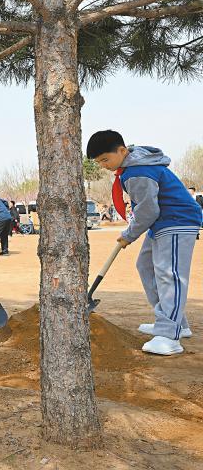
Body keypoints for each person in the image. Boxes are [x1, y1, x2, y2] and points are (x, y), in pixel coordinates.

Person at [87, 130, 202, 356]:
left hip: (177, 220)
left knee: (169, 273)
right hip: (161, 222)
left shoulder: (137, 172)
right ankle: (174, 323)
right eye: (99, 162)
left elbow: (148, 210)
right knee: (146, 266)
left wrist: (129, 234)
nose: (103, 166)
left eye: (105, 159)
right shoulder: (134, 166)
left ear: (122, 150)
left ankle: (169, 336)